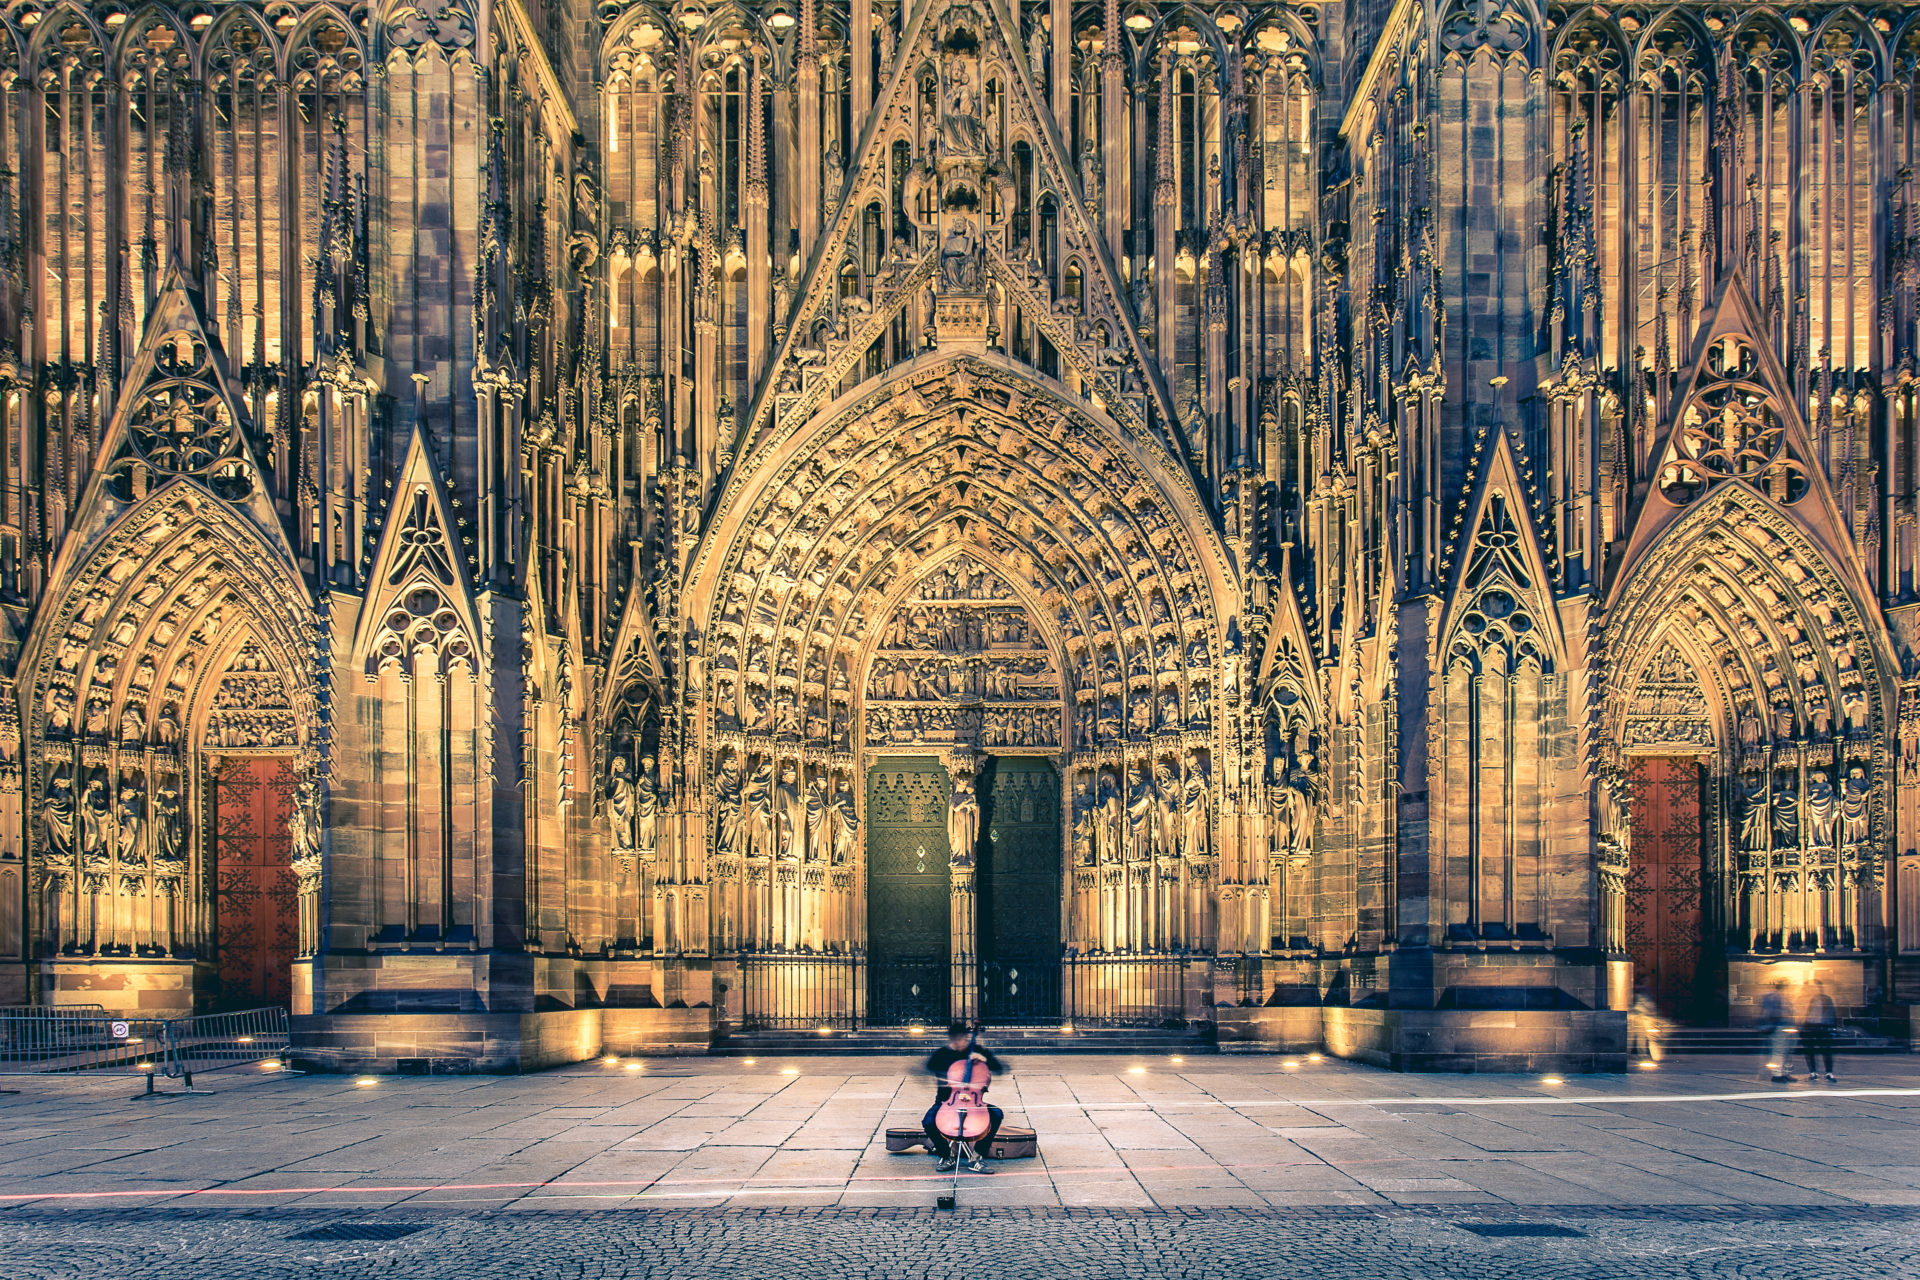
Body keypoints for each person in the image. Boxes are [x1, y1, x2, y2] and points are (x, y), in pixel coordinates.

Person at [922, 1022, 1005, 1174]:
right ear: (951, 1039)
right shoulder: (941, 1055)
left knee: (997, 1114)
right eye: (957, 1040)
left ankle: (977, 1157)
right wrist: (945, 1078)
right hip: (946, 1102)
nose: (961, 1043)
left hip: (975, 1102)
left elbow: (999, 1067)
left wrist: (984, 1060)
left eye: (964, 1039)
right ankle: (946, 1155)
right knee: (928, 1122)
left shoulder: (976, 1051)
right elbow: (927, 1068)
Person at [1758, 979, 1795, 1083]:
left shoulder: (1780, 996)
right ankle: (1777, 1074)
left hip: (1784, 1026)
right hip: (1778, 1026)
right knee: (1778, 1051)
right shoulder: (1775, 996)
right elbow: (1772, 1012)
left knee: (1784, 1051)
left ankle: (1783, 1072)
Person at [1801, 982, 1838, 1082]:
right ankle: (1816, 1072)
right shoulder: (1813, 999)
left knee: (1824, 1051)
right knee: (1815, 1051)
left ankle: (1826, 1072)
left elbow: (1830, 1013)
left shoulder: (1825, 999)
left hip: (1821, 1027)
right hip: (1813, 1027)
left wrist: (1832, 1026)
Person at [1628, 984, 1664, 1064]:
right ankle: (1638, 1053)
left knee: (1641, 1038)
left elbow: (1648, 1008)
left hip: (1642, 1020)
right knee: (1639, 1037)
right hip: (1639, 1020)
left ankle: (1641, 1054)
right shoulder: (1640, 997)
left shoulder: (1643, 998)